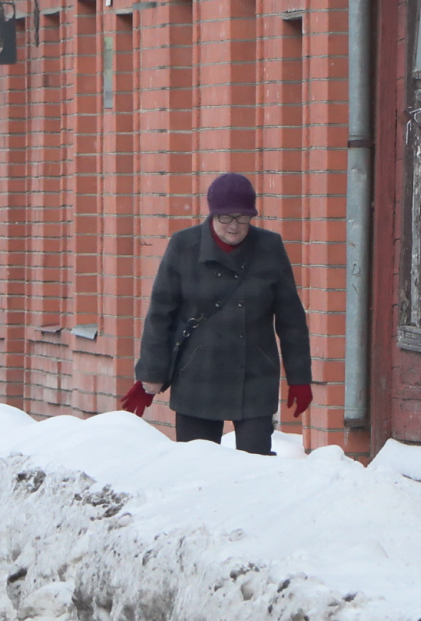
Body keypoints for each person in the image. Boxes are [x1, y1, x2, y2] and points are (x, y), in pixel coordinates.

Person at [119, 173, 313, 455]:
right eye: (225, 218)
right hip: (198, 373)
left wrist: (299, 377)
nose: (234, 226)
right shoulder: (184, 246)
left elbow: (291, 320)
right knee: (198, 466)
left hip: (254, 374)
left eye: (242, 218)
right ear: (212, 215)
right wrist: (151, 373)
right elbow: (160, 314)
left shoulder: (269, 248)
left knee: (255, 467)